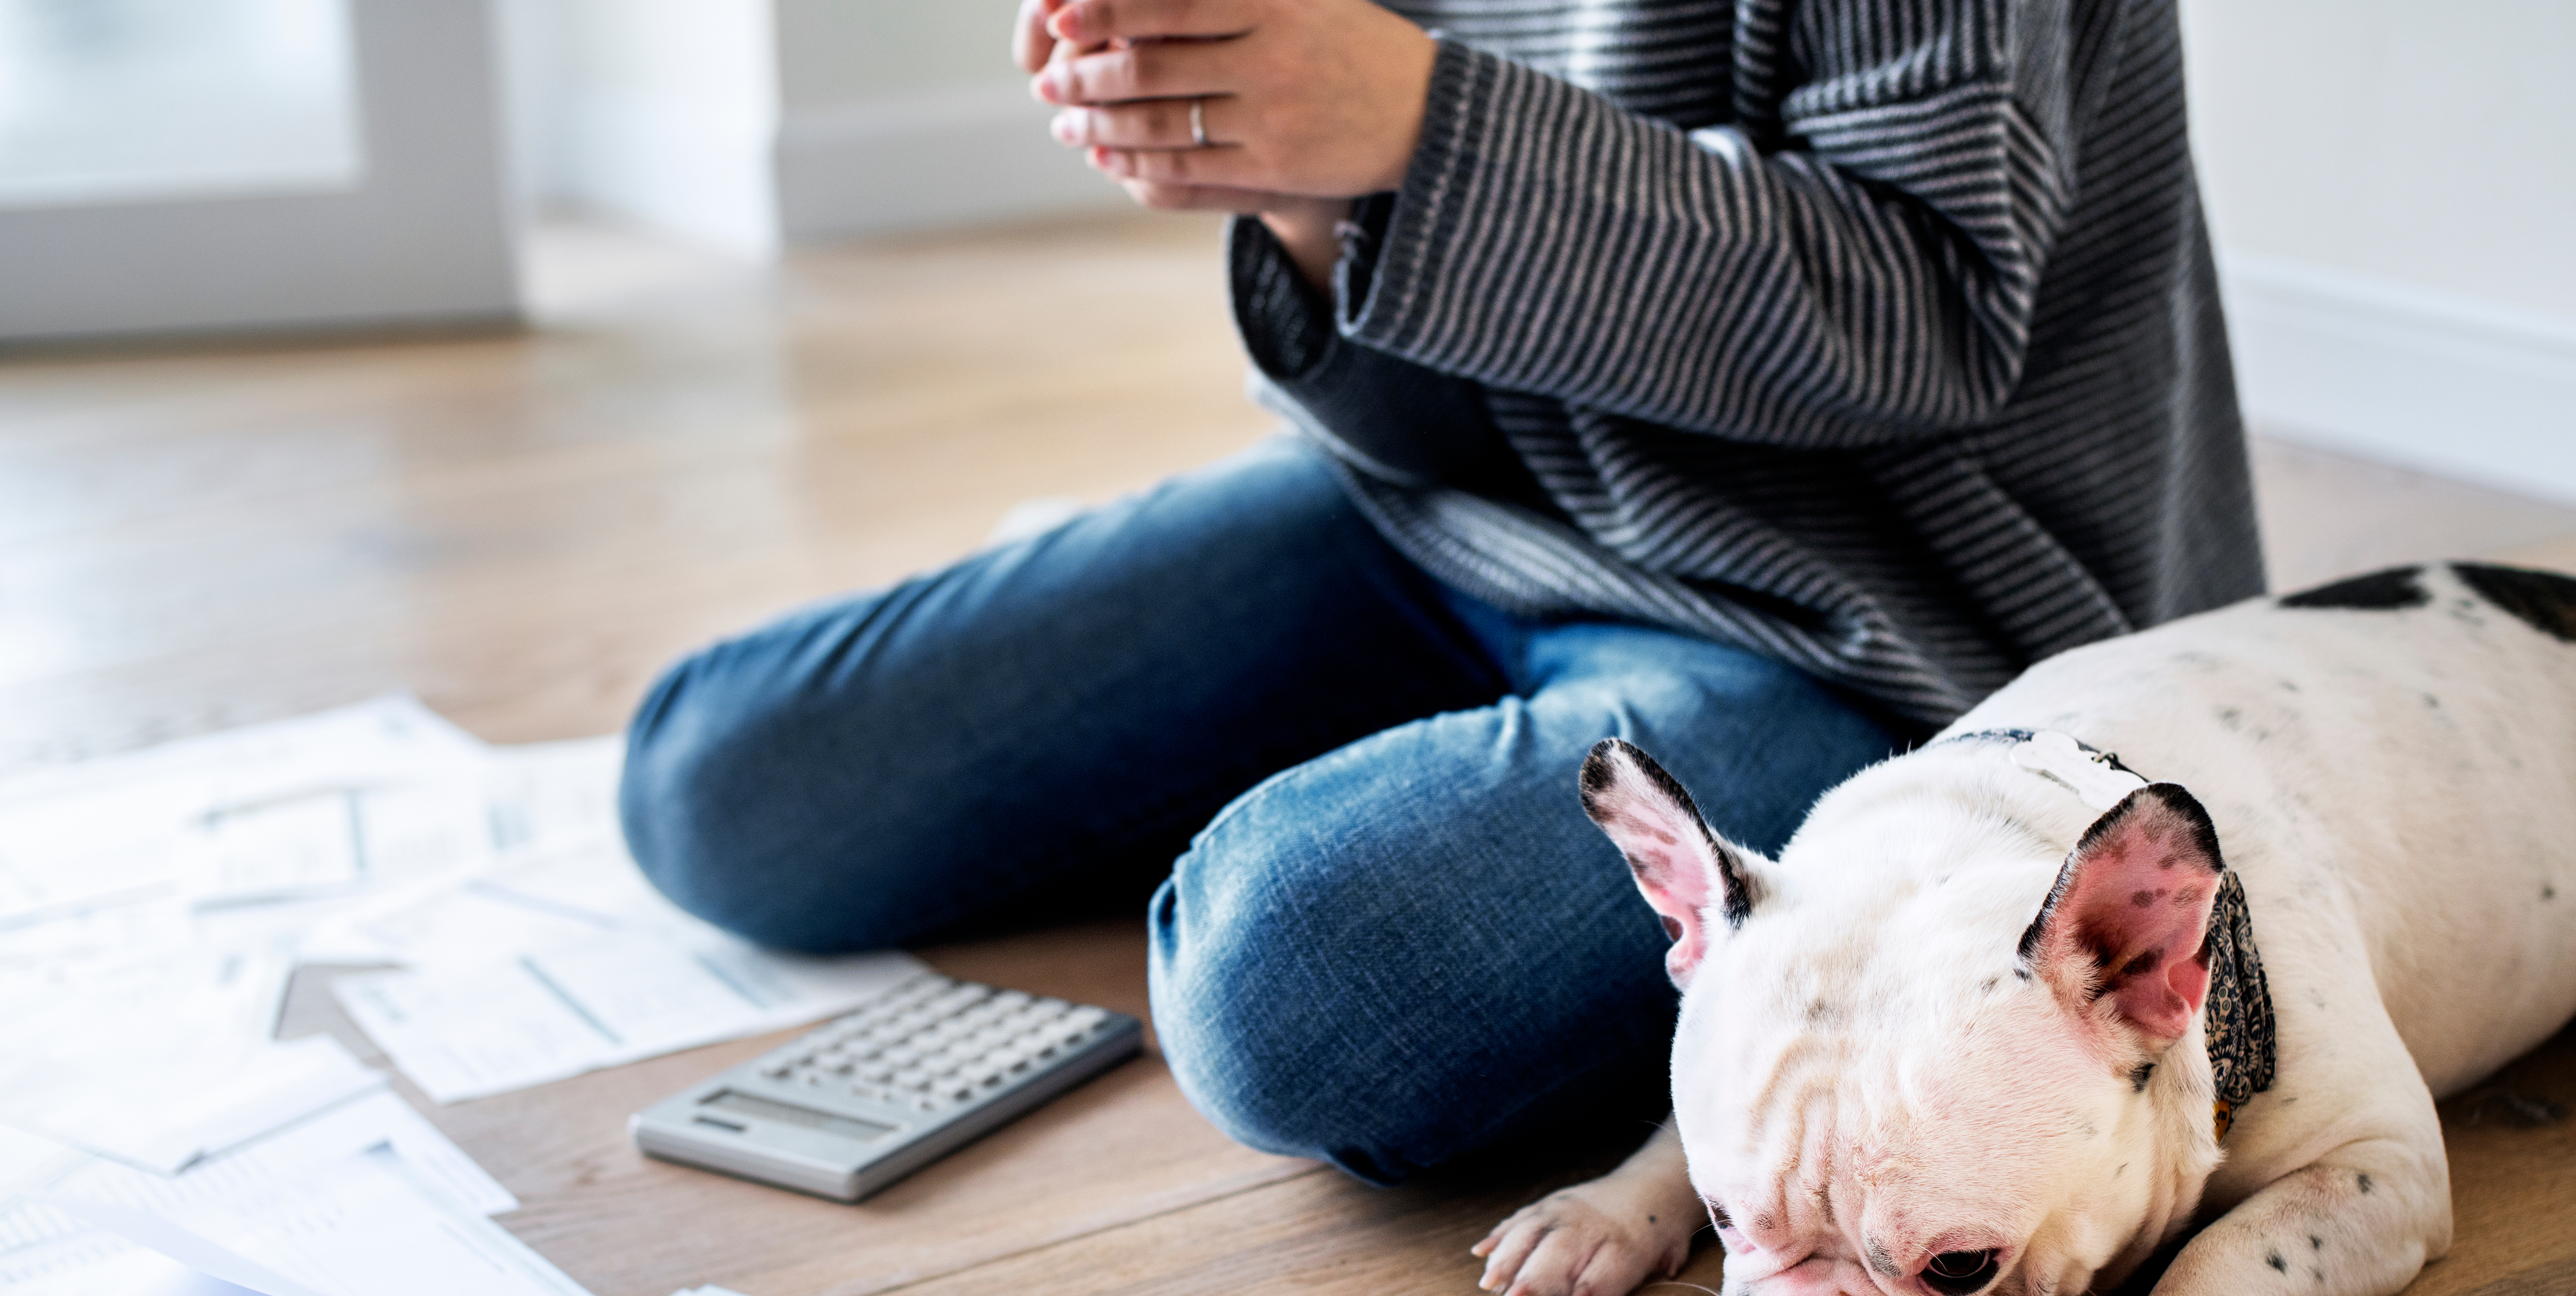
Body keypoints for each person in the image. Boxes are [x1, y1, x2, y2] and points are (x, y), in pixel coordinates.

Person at [617, 0, 2265, 1189]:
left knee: (1297, 994)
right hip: (1462, 514)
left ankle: (1488, 824)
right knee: (720, 788)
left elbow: (1924, 315)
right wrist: (1289, 172)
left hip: (1877, 619)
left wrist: (1417, 123)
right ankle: (1461, 791)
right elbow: (1416, 398)